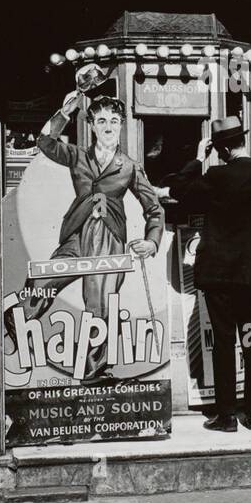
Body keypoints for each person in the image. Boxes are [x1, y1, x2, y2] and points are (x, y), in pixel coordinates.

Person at [17, 92, 163, 381]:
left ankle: (94, 372)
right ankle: (17, 329)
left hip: (109, 238)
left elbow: (154, 208)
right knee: (42, 281)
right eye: (101, 121)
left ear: (121, 125)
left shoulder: (130, 166)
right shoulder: (77, 155)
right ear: (92, 126)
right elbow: (45, 143)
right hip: (77, 233)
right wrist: (63, 113)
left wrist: (152, 241)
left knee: (100, 306)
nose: (108, 127)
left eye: (114, 121)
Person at [166, 116, 251, 432]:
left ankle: (225, 416)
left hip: (220, 280)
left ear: (220, 148)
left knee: (223, 343)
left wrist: (198, 156)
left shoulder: (216, 177)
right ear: (243, 142)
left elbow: (179, 188)